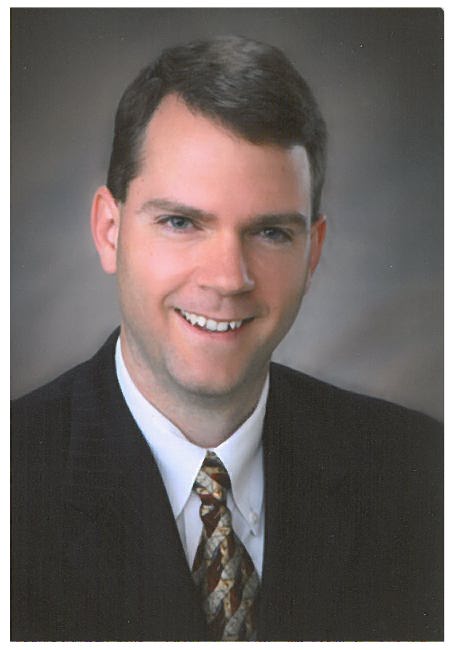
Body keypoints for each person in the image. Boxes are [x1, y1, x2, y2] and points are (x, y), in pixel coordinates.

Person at [11, 35, 443, 642]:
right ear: (110, 231)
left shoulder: (421, 473)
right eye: (181, 222)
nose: (228, 278)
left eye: (270, 233)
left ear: (312, 252)